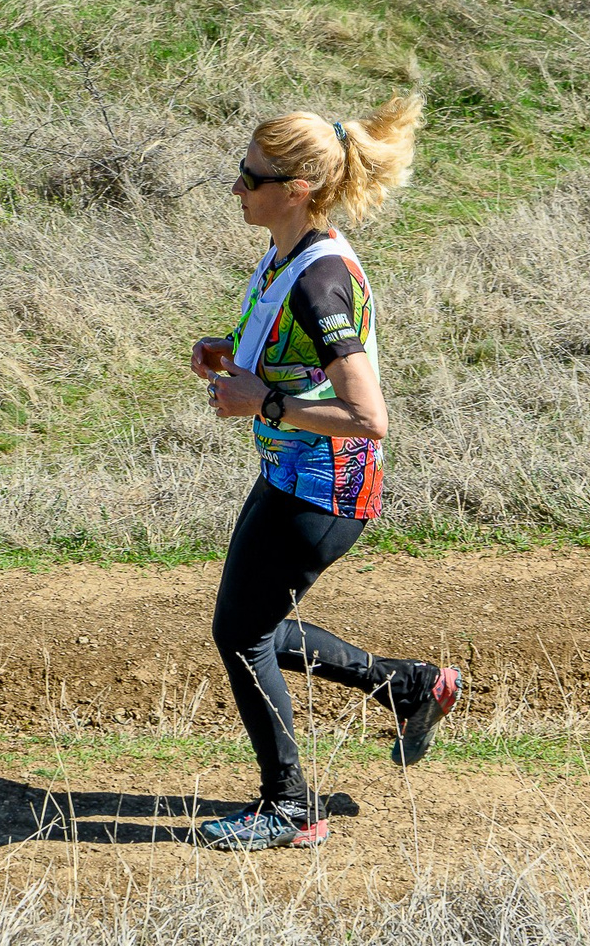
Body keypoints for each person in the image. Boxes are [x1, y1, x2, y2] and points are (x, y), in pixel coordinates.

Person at [191, 94, 460, 852]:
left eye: (250, 175)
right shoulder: (290, 254)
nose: (236, 186)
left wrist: (261, 398)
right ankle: (408, 686)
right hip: (294, 474)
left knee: (242, 635)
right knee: (252, 625)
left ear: (296, 188)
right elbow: (297, 354)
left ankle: (291, 806)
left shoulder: (321, 278)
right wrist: (232, 352)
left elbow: (369, 416)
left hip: (325, 488)